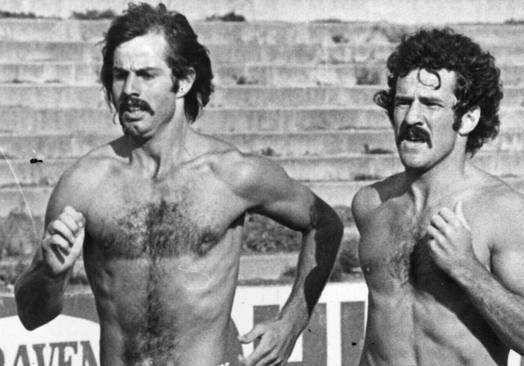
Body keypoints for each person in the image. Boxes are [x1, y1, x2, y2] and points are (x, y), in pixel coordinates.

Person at [13, 3, 343, 366]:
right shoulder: (84, 184)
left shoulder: (231, 175)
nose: (129, 89)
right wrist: (50, 273)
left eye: (146, 74)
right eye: (120, 75)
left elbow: (324, 223)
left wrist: (292, 322)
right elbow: (32, 316)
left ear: (182, 81)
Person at [351, 28, 524, 366]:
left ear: (467, 119)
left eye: (431, 105)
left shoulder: (501, 210)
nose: (412, 118)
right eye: (403, 102)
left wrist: (468, 269)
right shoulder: (371, 204)